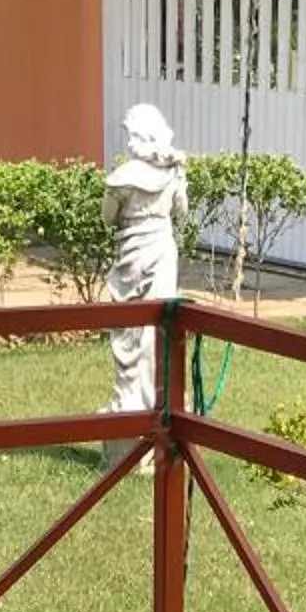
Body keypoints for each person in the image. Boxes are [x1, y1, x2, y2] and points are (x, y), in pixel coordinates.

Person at [101, 105, 187, 464]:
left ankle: (131, 404)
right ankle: (156, 402)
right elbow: (181, 213)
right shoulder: (173, 174)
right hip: (162, 254)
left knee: (132, 332)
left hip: (131, 256)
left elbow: (107, 218)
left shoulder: (123, 177)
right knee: (157, 331)